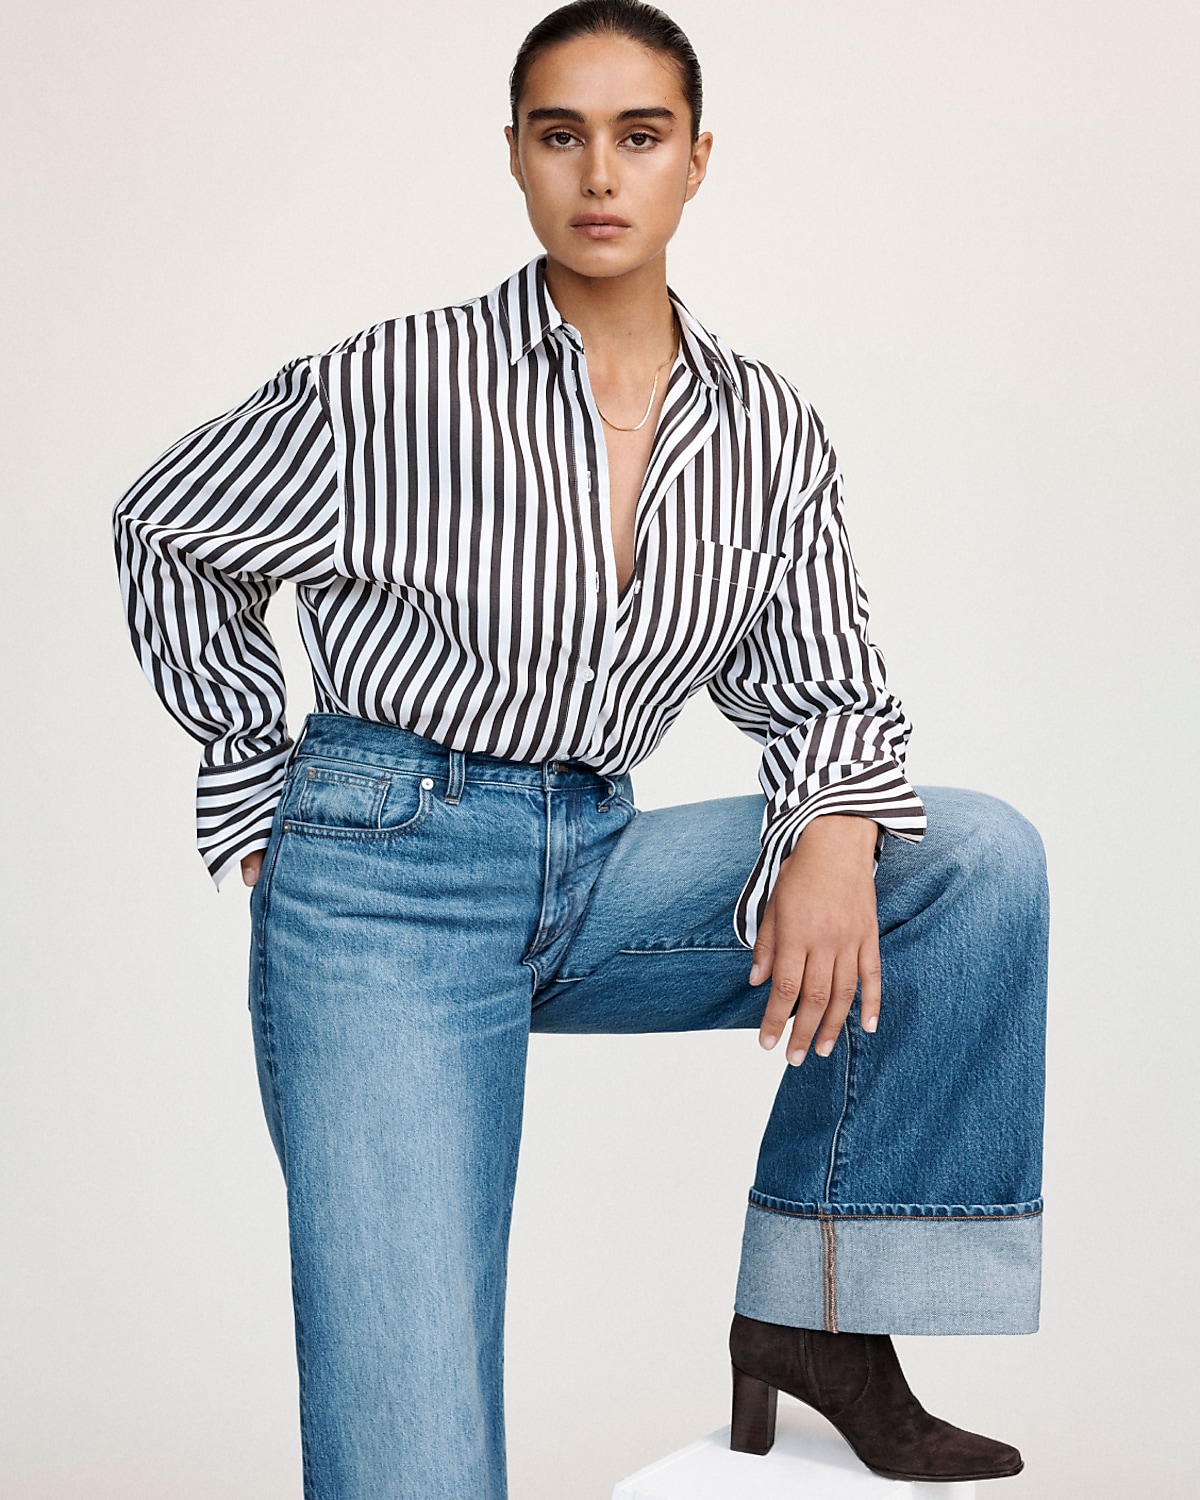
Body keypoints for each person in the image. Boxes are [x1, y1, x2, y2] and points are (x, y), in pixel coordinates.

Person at [112, 2, 1049, 1496]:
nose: (599, 174)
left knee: (974, 857)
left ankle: (821, 1321)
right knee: (415, 1461)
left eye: (639, 135)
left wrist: (831, 831)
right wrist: (252, 775)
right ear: (516, 160)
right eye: (562, 136)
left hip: (600, 860)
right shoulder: (393, 383)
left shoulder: (765, 431)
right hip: (382, 892)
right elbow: (168, 525)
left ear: (695, 162)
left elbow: (830, 685)